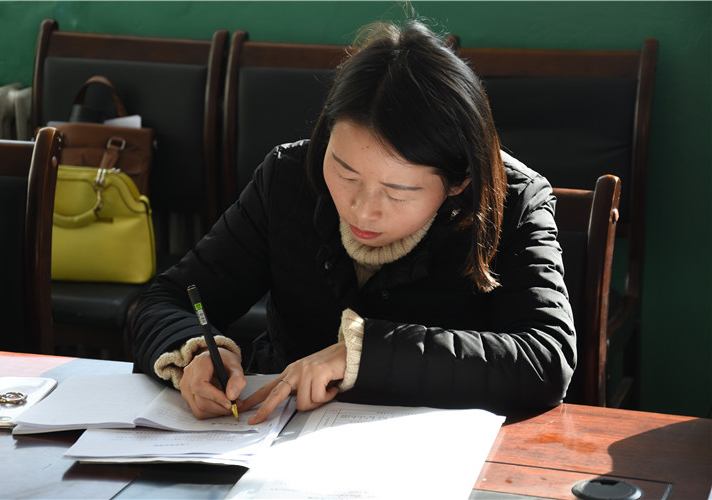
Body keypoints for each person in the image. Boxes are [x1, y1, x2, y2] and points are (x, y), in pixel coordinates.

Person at [131, 19, 576, 425]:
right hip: (274, 440)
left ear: (459, 181)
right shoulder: (288, 177)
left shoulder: (513, 201)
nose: (362, 210)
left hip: (434, 450)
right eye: (345, 174)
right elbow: (168, 299)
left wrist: (362, 354)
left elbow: (545, 358)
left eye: (397, 192)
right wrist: (193, 352)